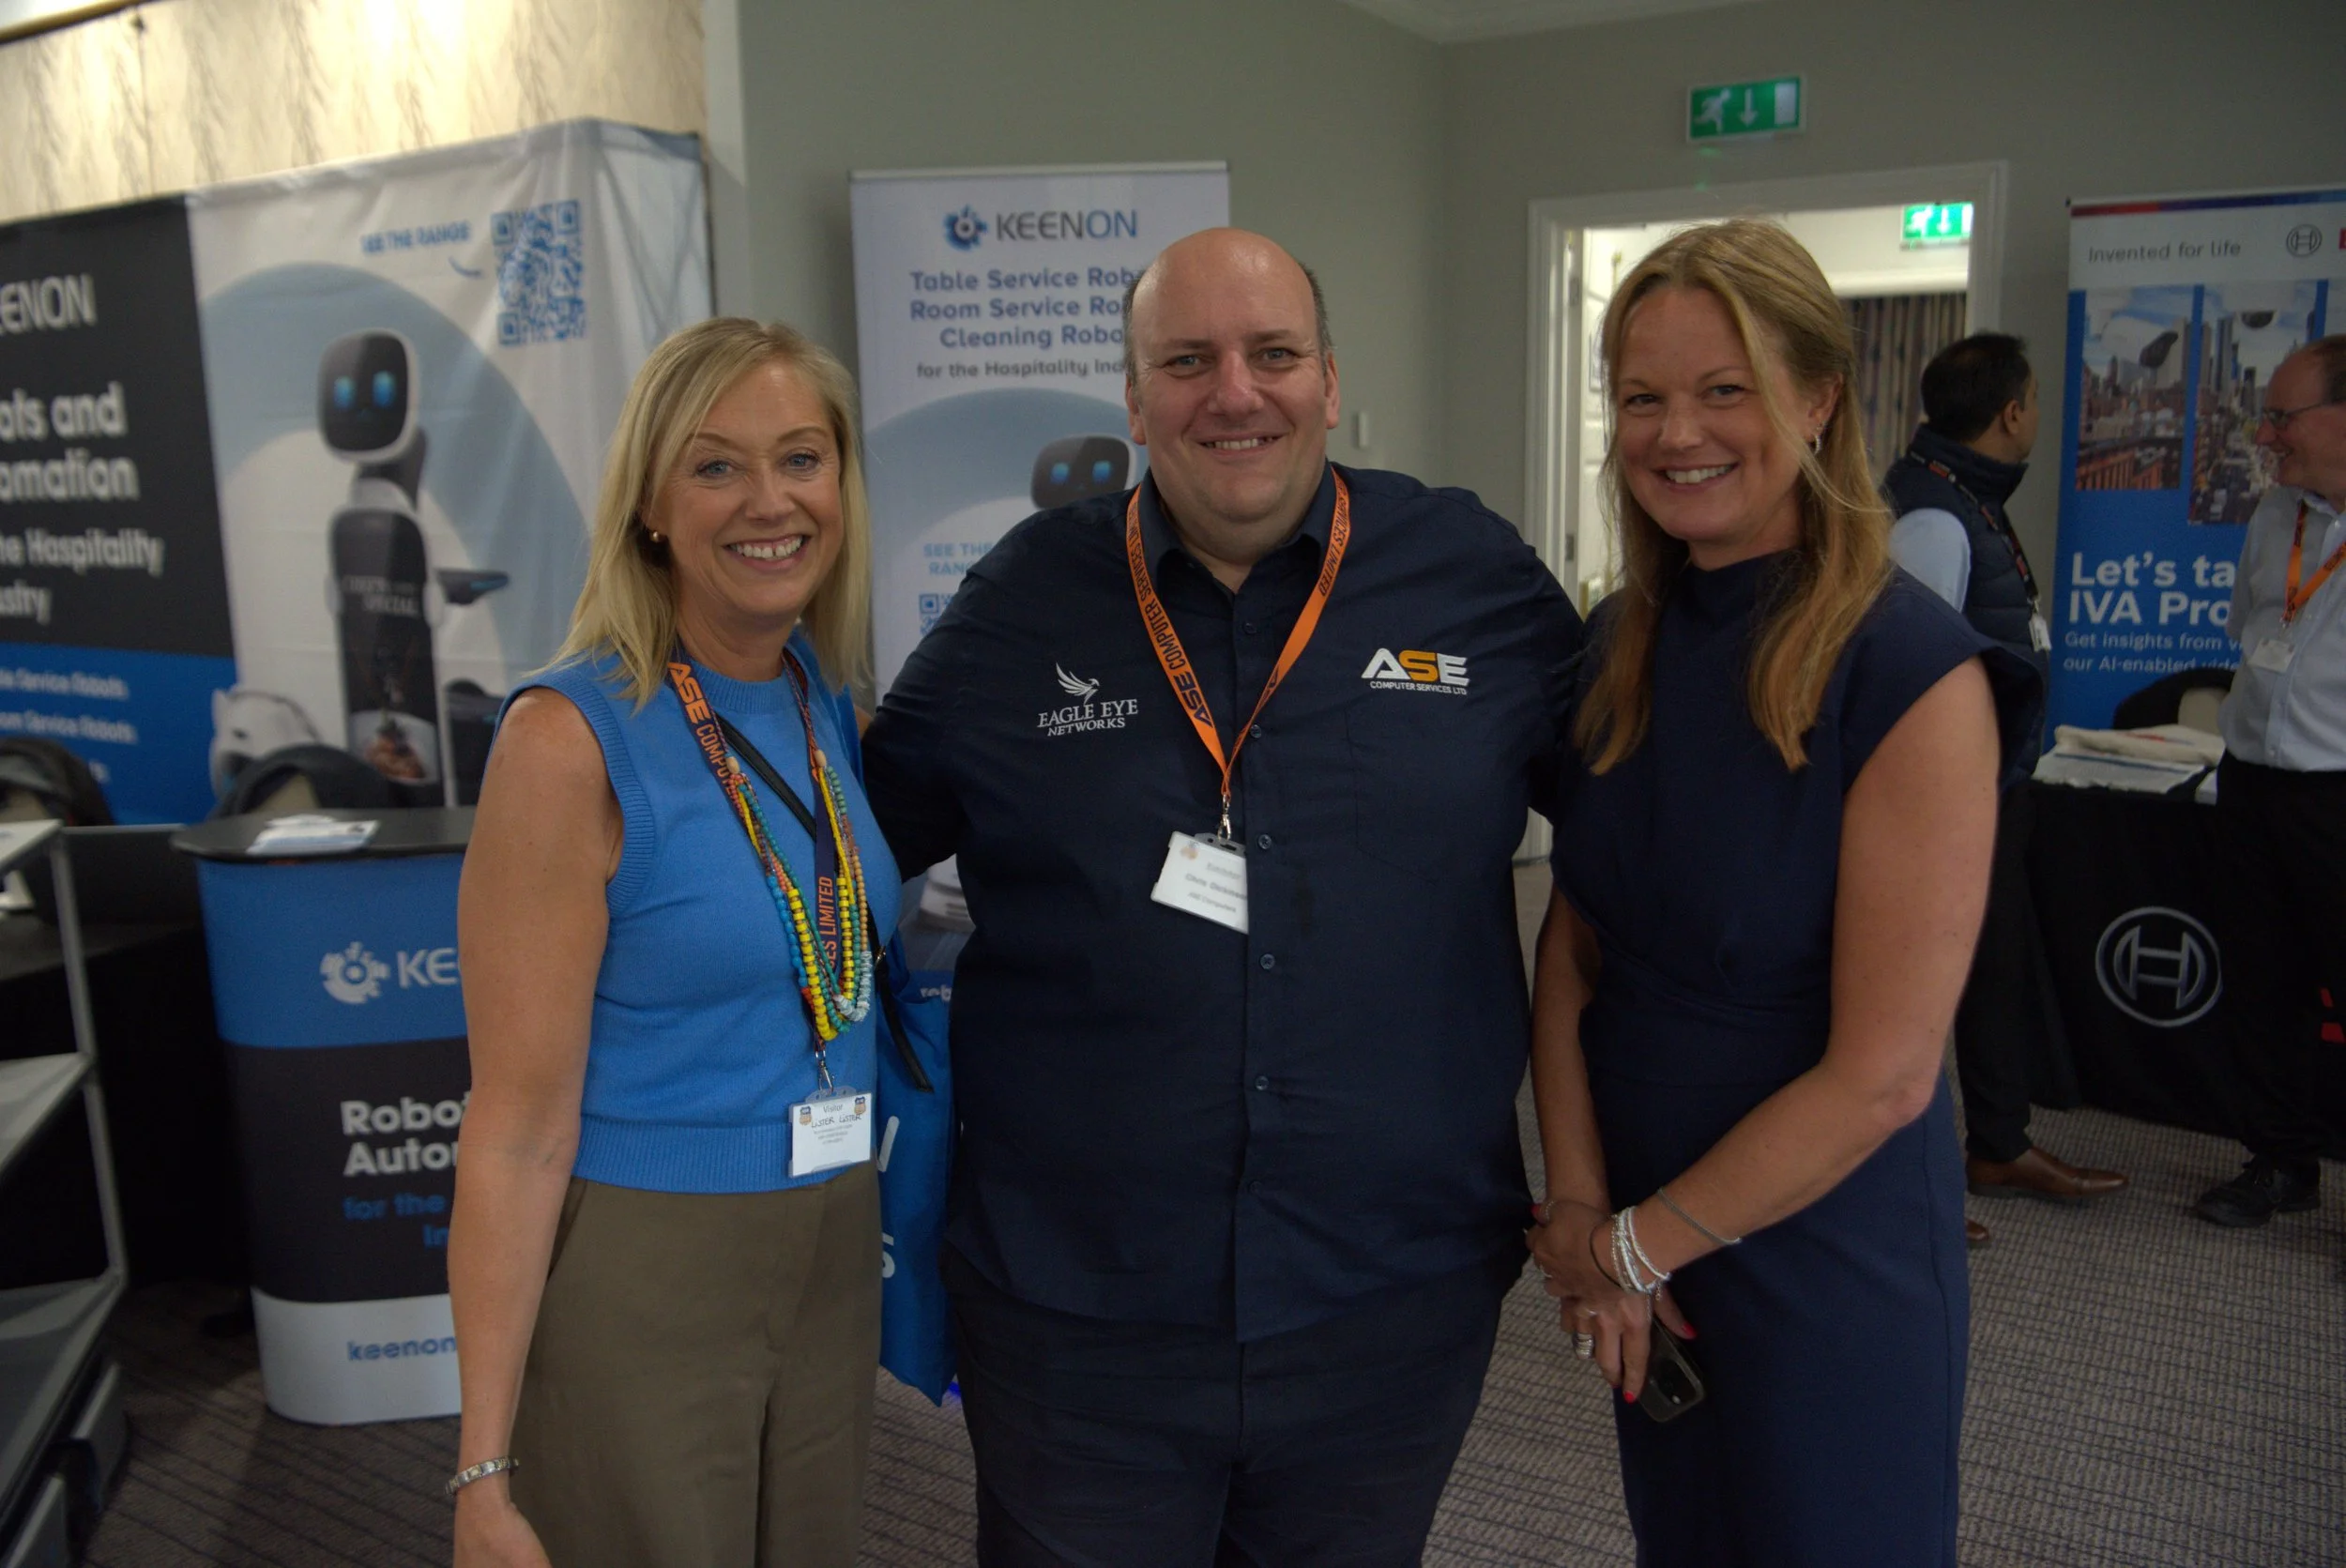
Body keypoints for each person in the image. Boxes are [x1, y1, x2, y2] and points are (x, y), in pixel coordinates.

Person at [861, 228, 1581, 1567]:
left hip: (1389, 1295)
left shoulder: (1469, 574)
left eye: (1272, 355)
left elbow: (1632, 845)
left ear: (1328, 377)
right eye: (1186, 361)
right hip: (1082, 1311)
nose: (1233, 393)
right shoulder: (1025, 602)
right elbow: (845, 854)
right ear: (1134, 400)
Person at [1525, 220, 2034, 1565]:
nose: (1676, 430)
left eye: (1723, 388)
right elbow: (1573, 952)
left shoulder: (1909, 666)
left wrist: (1633, 1246)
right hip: (1643, 1222)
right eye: (1642, 396)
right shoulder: (1618, 640)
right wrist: (1581, 1209)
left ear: (1818, 399)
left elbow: (1885, 1075)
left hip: (1823, 1245)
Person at [447, 318, 897, 1568]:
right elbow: (516, 1125)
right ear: (652, 501)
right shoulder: (568, 736)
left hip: (831, 1239)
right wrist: (483, 1470)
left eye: (802, 458)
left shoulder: (819, 696)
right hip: (649, 1261)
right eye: (716, 466)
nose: (771, 500)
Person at [1883, 333, 2127, 1244]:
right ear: (2012, 411)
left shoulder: (1963, 498)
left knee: (1992, 975)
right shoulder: (1934, 517)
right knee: (1918, 990)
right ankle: (1908, 1188)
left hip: (1993, 786)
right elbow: (1901, 675)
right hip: (1946, 802)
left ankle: (1996, 1144)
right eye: (2032, 400)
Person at [2191, 334, 2346, 1228]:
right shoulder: (2273, 513)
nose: (2269, 432)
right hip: (2253, 782)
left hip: (2339, 796)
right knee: (2265, 985)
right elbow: (2252, 623)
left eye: (2286, 415)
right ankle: (2281, 1160)